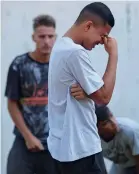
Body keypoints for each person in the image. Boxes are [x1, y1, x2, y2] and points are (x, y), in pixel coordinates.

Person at [48, 2, 118, 174]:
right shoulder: (75, 52)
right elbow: (103, 97)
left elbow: (91, 93)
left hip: (63, 149)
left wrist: (88, 91)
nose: (103, 42)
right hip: (81, 150)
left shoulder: (60, 47)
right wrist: (114, 55)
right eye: (102, 36)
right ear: (88, 25)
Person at [5, 14, 57, 174]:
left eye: (50, 36)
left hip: (55, 145)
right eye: (42, 36)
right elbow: (12, 103)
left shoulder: (63, 64)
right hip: (25, 142)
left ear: (56, 37)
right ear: (33, 37)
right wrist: (28, 137)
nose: (46, 41)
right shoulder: (19, 64)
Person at [95, 105, 139, 174]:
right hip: (121, 166)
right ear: (97, 129)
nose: (113, 123)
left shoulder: (131, 130)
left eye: (111, 116)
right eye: (105, 123)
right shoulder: (93, 141)